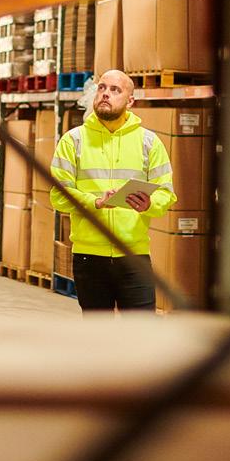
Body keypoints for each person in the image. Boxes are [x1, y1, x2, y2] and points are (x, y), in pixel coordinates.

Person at [49, 70, 176, 311]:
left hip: (134, 255)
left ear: (130, 101)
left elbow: (166, 193)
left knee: (141, 329)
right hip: (88, 257)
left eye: (115, 90)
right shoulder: (73, 141)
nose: (106, 93)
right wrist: (95, 202)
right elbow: (58, 195)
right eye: (102, 87)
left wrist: (149, 204)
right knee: (99, 331)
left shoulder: (149, 142)